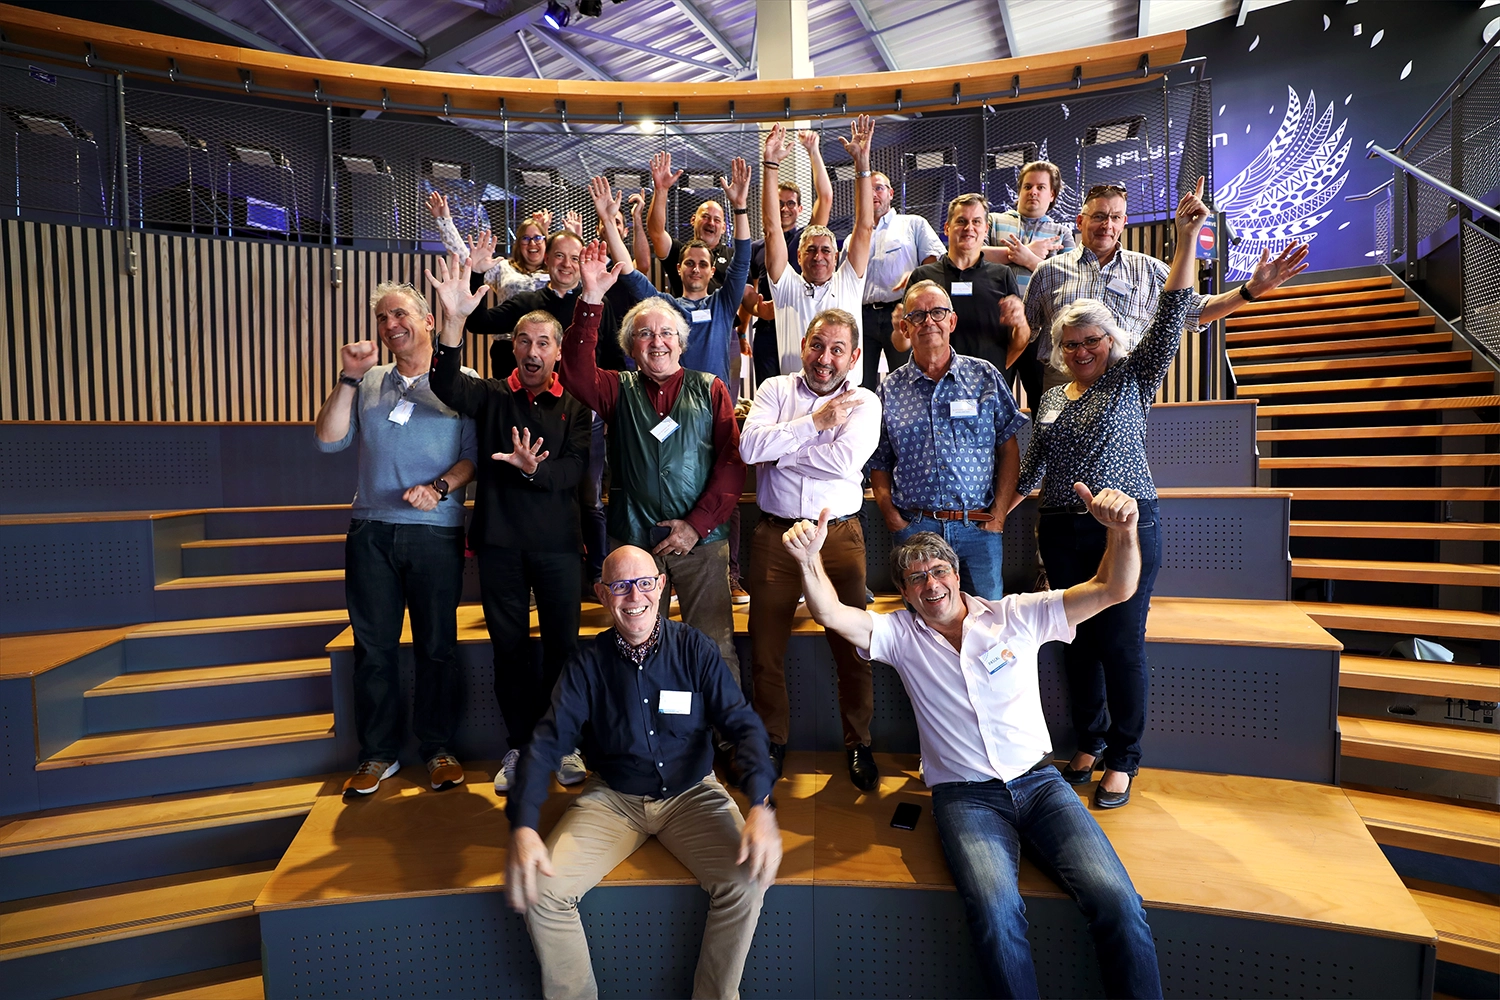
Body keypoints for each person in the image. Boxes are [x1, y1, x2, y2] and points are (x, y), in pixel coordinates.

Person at [782, 485, 1161, 999]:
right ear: (904, 593)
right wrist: (809, 560)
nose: (930, 584)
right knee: (996, 913)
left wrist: (1123, 532)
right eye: (916, 578)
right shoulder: (898, 635)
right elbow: (830, 612)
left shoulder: (1016, 615)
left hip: (1041, 785)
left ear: (957, 576)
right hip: (966, 799)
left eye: (938, 571)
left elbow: (1115, 587)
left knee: (1119, 902)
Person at [1013, 179, 1308, 808]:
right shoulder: (1051, 398)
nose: (1081, 351)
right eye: (1071, 344)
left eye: (1092, 341)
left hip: (1124, 526)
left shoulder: (1131, 378)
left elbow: (1174, 313)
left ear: (1111, 343)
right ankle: (1089, 740)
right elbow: (1033, 469)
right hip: (1060, 529)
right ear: (1058, 350)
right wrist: (995, 512)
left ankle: (1124, 756)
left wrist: (1186, 238)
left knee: (1120, 641)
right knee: (1077, 641)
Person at [505, 544, 781, 1000]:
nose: (635, 596)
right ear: (602, 594)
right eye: (620, 586)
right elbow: (548, 740)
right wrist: (524, 823)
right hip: (614, 798)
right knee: (543, 890)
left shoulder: (694, 648)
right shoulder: (586, 663)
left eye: (645, 583)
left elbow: (743, 725)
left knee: (746, 883)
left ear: (662, 586)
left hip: (693, 793)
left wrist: (761, 805)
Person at [426, 254, 594, 796]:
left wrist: (533, 469)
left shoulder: (575, 407)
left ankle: (562, 742)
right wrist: (454, 324)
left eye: (544, 343)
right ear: (513, 348)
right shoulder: (492, 395)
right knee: (510, 649)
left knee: (564, 648)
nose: (533, 351)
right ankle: (520, 744)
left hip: (559, 547)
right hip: (500, 545)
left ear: (558, 351)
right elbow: (446, 384)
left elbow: (572, 472)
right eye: (524, 341)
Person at [313, 280, 477, 797]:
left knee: (436, 646)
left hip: (436, 531)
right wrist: (348, 377)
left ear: (428, 321)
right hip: (370, 531)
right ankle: (378, 754)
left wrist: (439, 488)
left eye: (400, 313)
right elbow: (328, 440)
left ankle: (438, 748)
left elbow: (472, 458)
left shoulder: (463, 381)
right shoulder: (368, 380)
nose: (390, 324)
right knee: (373, 649)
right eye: (383, 317)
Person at [558, 241, 747, 686]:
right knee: (637, 645)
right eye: (644, 334)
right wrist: (591, 299)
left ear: (681, 343)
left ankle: (725, 726)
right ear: (630, 346)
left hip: (703, 543)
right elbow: (574, 372)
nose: (657, 341)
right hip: (634, 543)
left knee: (716, 646)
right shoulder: (616, 388)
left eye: (666, 333)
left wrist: (695, 526)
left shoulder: (711, 388)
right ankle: (647, 726)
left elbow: (731, 464)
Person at [592, 163, 755, 605]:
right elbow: (628, 272)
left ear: (711, 269)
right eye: (690, 262)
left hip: (710, 414)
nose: (697, 268)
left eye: (704, 263)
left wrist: (740, 208)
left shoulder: (723, 303)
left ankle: (730, 573)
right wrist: (607, 219)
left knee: (723, 488)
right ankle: (662, 568)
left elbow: (743, 259)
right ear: (679, 267)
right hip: (660, 409)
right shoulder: (663, 307)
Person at [738, 308, 881, 790]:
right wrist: (815, 423)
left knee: (854, 646)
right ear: (803, 346)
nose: (825, 358)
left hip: (838, 538)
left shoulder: (864, 401)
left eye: (837, 349)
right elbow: (749, 449)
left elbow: (844, 461)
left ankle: (859, 742)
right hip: (776, 535)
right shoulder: (774, 390)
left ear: (854, 357)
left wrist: (781, 454)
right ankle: (771, 741)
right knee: (766, 649)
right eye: (817, 345)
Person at [1025, 180, 1302, 393]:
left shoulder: (1150, 269)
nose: (1107, 225)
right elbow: (1025, 334)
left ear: (1124, 222)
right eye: (1099, 216)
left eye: (1115, 217)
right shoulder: (1048, 271)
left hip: (1126, 384)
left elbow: (1193, 311)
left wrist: (1249, 290)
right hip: (1062, 386)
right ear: (1080, 221)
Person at [869, 280, 1026, 601]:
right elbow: (879, 462)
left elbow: (1009, 450)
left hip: (978, 528)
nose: (928, 321)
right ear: (905, 327)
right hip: (915, 530)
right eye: (917, 315)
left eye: (937, 313)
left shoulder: (984, 376)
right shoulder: (889, 390)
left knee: (987, 619)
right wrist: (893, 519)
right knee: (924, 622)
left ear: (952, 321)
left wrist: (997, 517)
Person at [761, 116, 875, 379]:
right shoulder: (786, 285)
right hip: (796, 395)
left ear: (836, 257)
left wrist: (862, 162)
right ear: (799, 256)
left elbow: (865, 227)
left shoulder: (848, 280)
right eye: (811, 250)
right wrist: (771, 164)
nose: (818, 256)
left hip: (845, 394)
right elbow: (771, 229)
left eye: (825, 250)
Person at [903, 192, 1030, 377]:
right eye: (961, 221)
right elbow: (905, 339)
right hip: (933, 384)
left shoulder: (1002, 276)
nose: (969, 228)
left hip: (987, 385)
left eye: (976, 222)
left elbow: (1020, 342)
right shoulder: (922, 277)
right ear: (947, 228)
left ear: (985, 229)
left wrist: (1021, 324)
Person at [741, 131, 833, 386]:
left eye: (791, 203)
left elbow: (826, 198)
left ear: (800, 208)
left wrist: (813, 152)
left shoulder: (807, 239)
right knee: (771, 394)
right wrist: (759, 309)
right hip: (769, 330)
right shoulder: (756, 248)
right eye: (779, 202)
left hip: (803, 324)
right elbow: (746, 292)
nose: (784, 208)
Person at [980, 160, 1073, 405]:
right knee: (991, 400)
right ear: (1019, 190)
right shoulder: (993, 221)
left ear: (1052, 195)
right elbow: (972, 255)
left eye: (1041, 187)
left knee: (1042, 402)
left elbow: (1068, 279)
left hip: (1041, 332)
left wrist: (1030, 260)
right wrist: (1019, 253)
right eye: (1028, 186)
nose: (1033, 192)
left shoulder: (1062, 233)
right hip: (995, 326)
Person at [850, 168, 944, 390]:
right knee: (860, 385)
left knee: (907, 382)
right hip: (861, 317)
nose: (873, 194)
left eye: (879, 188)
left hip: (902, 314)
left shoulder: (913, 224)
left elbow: (937, 262)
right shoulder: (853, 236)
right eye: (867, 189)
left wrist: (916, 276)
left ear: (891, 193)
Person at [429, 193, 548, 303]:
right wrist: (445, 222)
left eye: (537, 238)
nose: (532, 243)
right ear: (518, 244)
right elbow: (466, 261)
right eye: (525, 238)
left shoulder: (555, 270)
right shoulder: (503, 268)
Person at [646, 150, 733, 297]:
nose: (711, 223)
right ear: (693, 220)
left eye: (717, 220)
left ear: (724, 228)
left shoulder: (733, 256)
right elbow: (656, 232)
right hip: (682, 311)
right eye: (705, 217)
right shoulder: (679, 251)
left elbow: (746, 295)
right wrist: (661, 190)